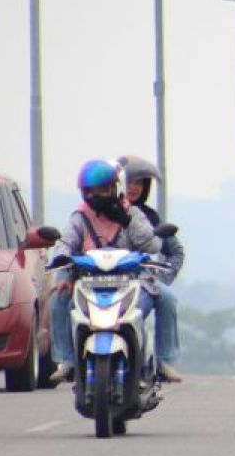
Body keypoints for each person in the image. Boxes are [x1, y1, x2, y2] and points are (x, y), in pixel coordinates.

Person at [47, 159, 164, 384]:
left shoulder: (133, 213)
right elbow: (65, 243)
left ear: (115, 188)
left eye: (103, 189)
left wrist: (126, 221)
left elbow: (153, 245)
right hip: (89, 283)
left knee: (138, 311)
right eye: (90, 191)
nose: (96, 196)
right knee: (58, 301)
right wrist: (61, 262)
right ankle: (67, 361)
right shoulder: (80, 217)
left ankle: (142, 364)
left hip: (128, 282)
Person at [117, 155, 185, 383]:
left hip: (140, 280)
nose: (132, 188)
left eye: (139, 183)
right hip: (101, 276)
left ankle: (164, 362)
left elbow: (175, 251)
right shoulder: (99, 212)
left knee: (166, 298)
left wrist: (162, 279)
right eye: (128, 182)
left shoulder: (149, 217)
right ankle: (68, 360)